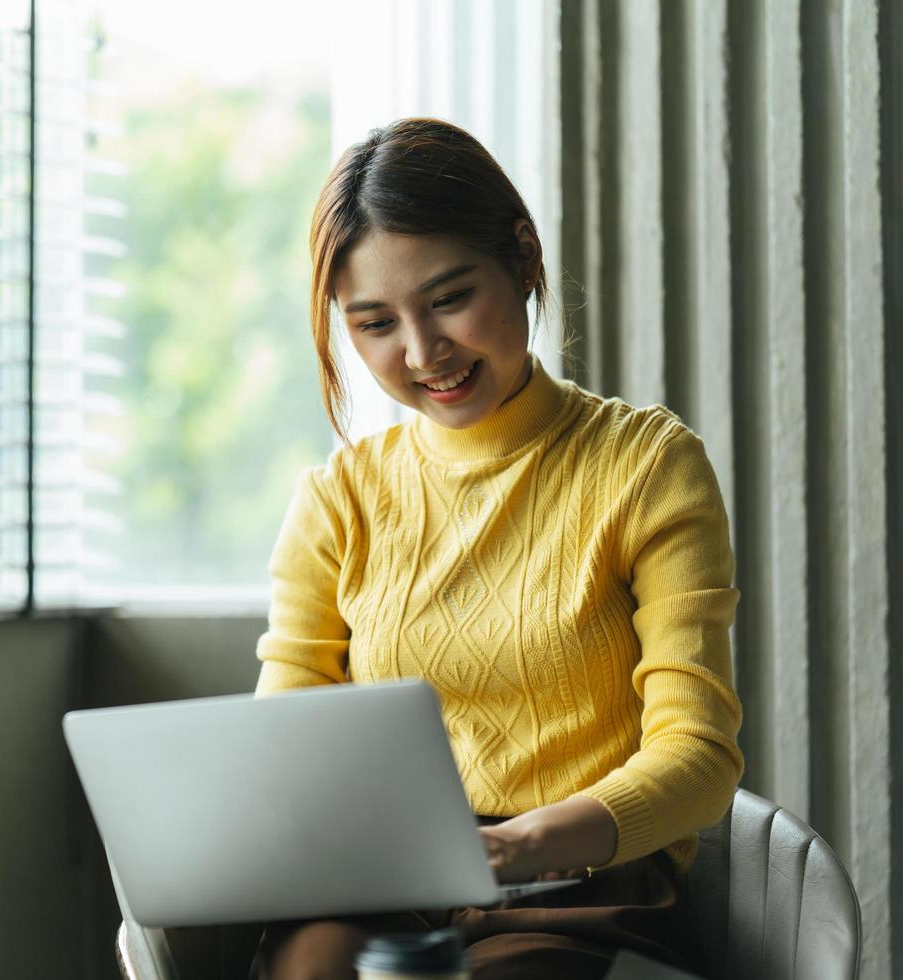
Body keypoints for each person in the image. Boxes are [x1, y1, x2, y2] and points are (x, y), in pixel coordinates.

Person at [249, 117, 744, 980]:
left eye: (447, 300)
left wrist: (520, 845)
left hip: (584, 885)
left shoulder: (647, 466)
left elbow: (698, 758)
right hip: (386, 884)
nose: (421, 352)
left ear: (522, 258)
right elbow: (285, 751)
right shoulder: (338, 502)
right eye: (373, 323)